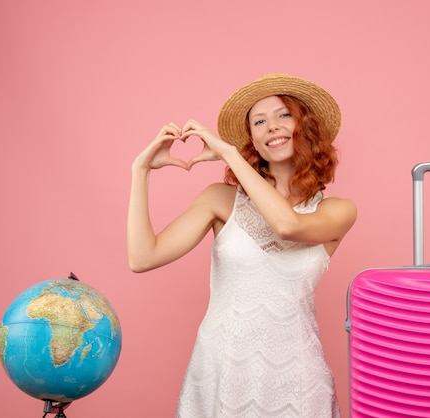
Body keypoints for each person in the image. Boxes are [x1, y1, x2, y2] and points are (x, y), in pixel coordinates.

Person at [127, 73, 357, 417]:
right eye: (259, 122)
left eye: (283, 115)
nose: (272, 127)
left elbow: (287, 225)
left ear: (305, 126)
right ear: (252, 139)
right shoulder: (220, 200)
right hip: (221, 368)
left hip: (296, 377)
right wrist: (140, 170)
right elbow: (142, 258)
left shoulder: (337, 210)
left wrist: (228, 154)